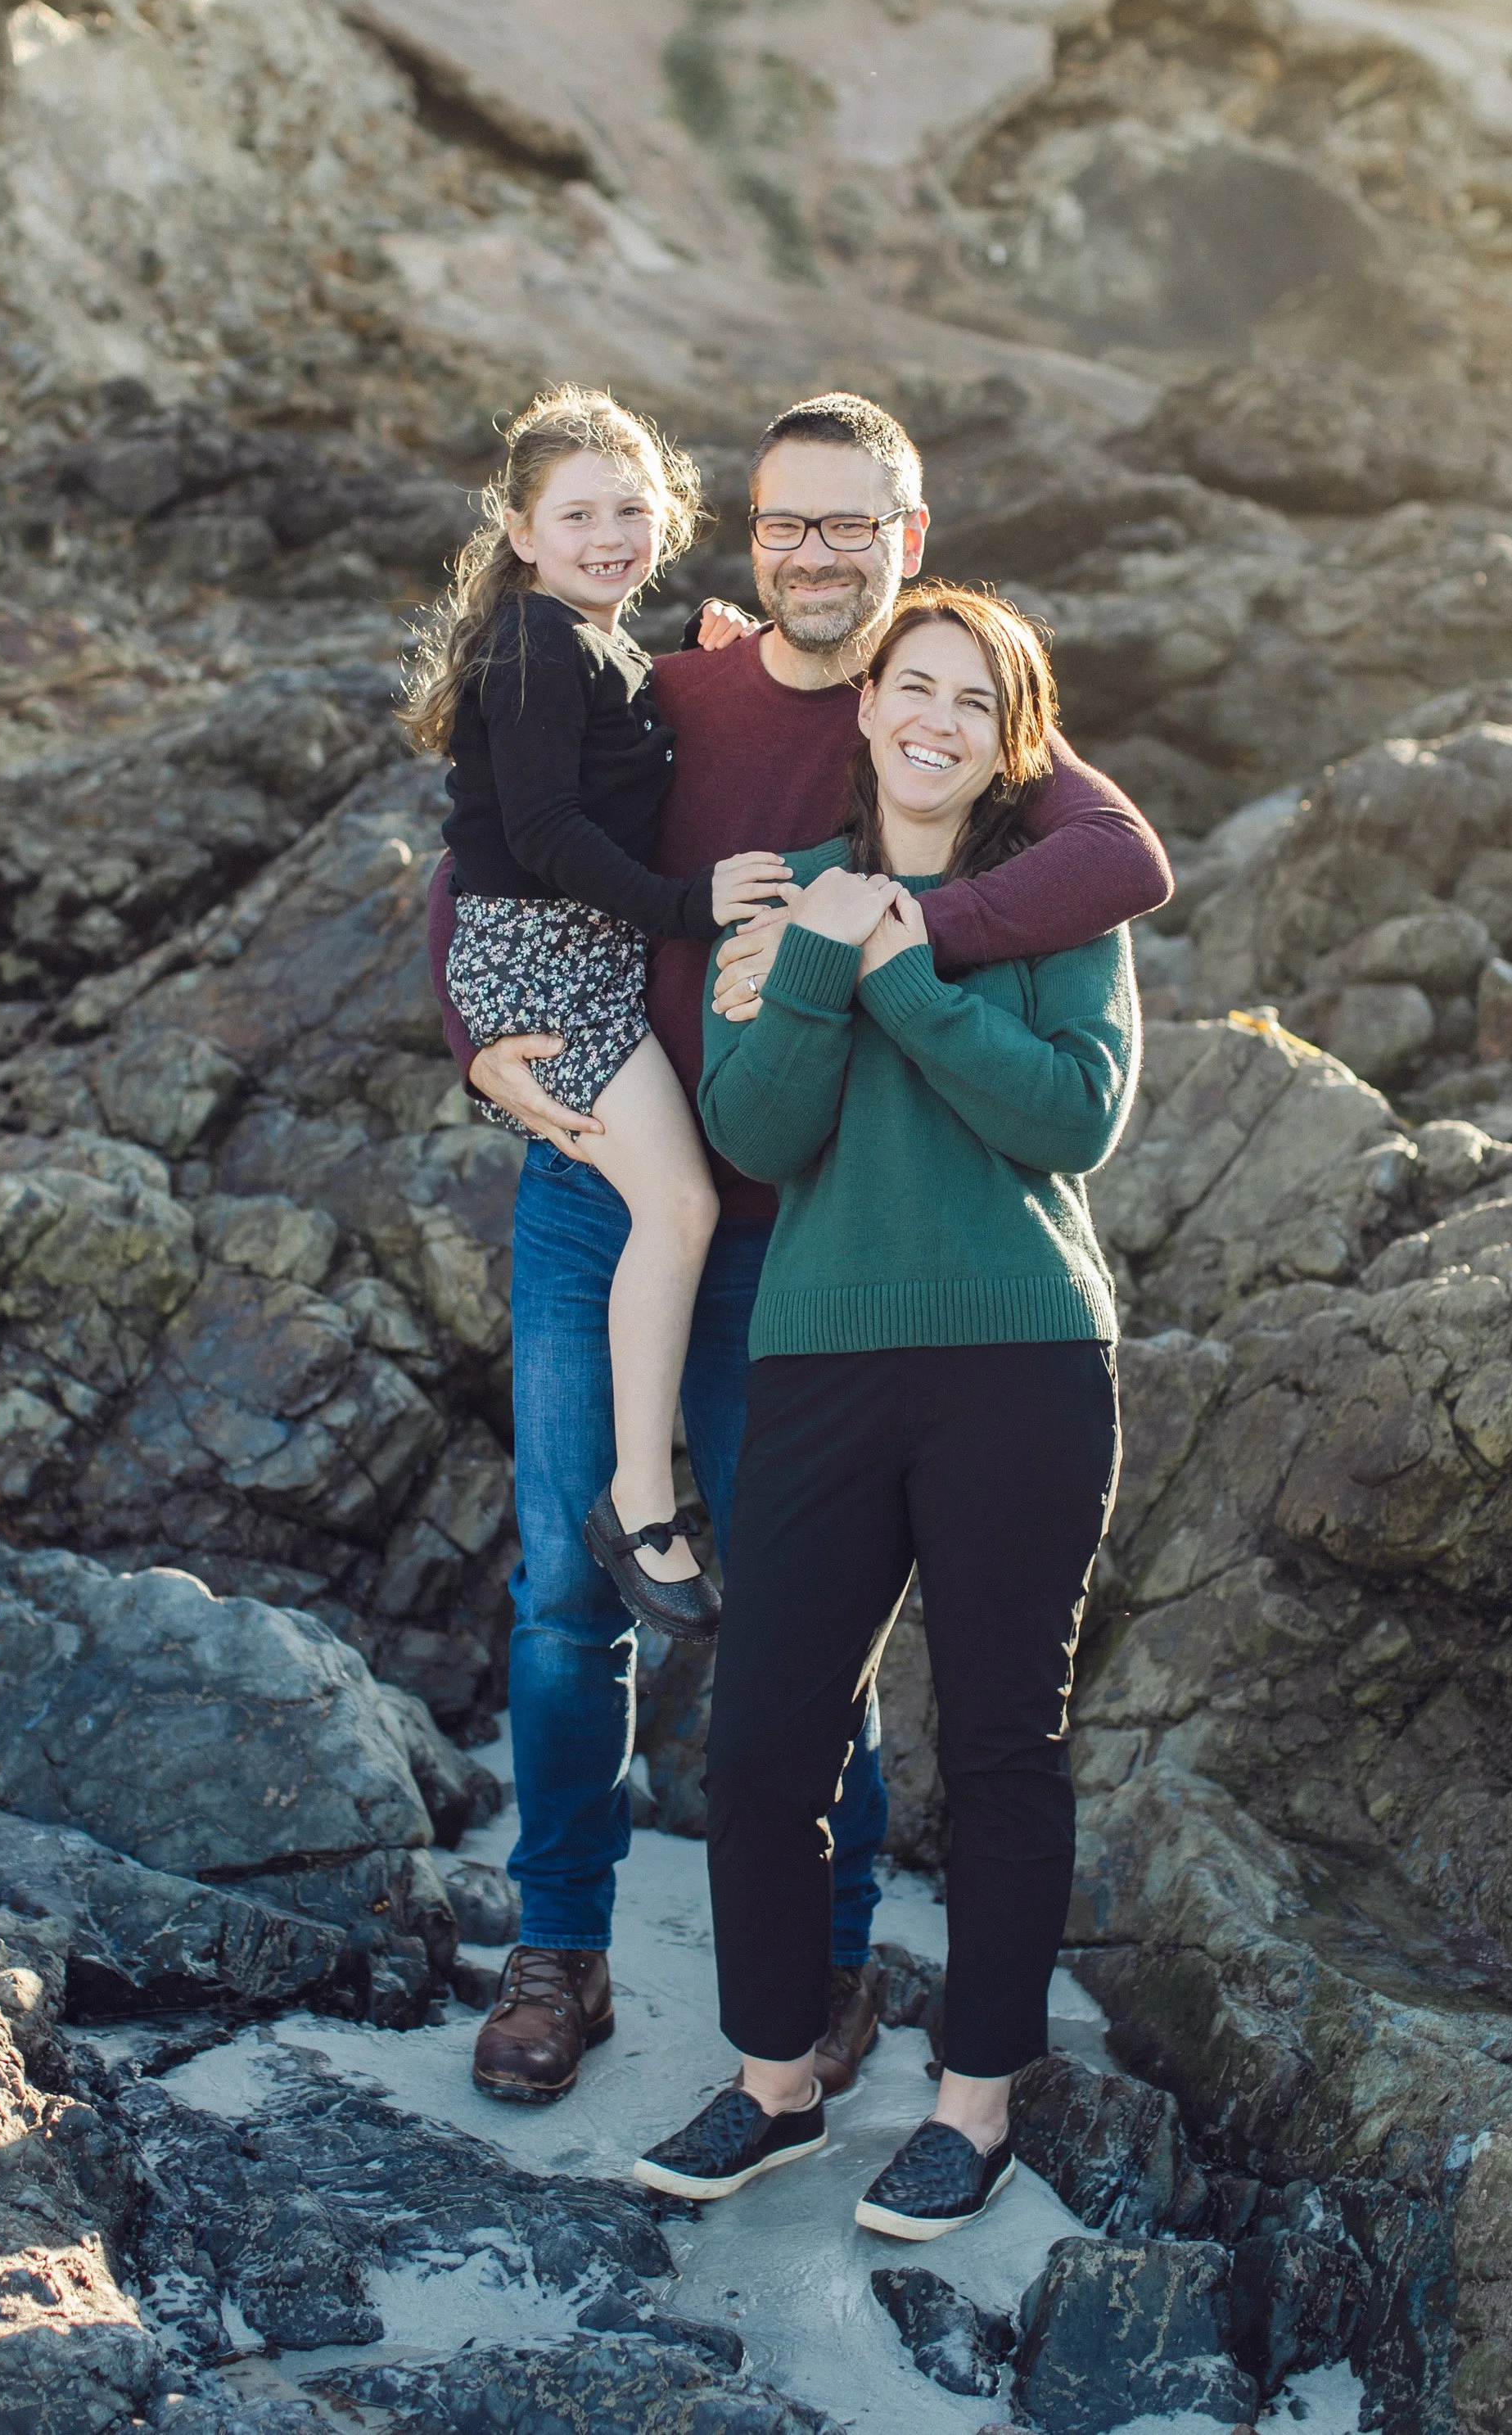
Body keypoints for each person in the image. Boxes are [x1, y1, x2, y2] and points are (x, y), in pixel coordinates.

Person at [424, 395, 1171, 2109]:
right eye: (789, 523)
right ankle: (560, 1956)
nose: (819, 553)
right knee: (561, 1592)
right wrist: (470, 1030)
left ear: (908, 540)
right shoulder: (667, 679)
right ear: (750, 536)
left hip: (801, 1237)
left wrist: (890, 928)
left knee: (800, 1635)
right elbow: (493, 841)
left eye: (853, 526)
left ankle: (827, 1974)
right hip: (596, 1186)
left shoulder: (944, 704)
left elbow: (1120, 862)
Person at [634, 586, 1133, 2241]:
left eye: (969, 706)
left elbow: (1067, 1119)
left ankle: (972, 2106)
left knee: (998, 1750)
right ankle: (776, 2085)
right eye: (907, 688)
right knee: (764, 1746)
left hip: (1018, 1365)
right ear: (863, 710)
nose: (930, 720)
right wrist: (827, 965)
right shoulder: (788, 912)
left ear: (1009, 744)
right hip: (821, 1366)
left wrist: (907, 977)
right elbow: (759, 1135)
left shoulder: (1053, 912)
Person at [403, 386, 788, 1642]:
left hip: (566, 958)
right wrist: (691, 904)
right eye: (577, 514)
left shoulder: (596, 647)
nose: (609, 533)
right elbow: (542, 833)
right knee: (678, 1206)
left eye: (632, 507)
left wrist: (706, 660)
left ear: (669, 514)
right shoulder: (535, 646)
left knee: (665, 1210)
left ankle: (639, 1492)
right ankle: (638, 1501)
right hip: (545, 964)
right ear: (522, 530)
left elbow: (622, 755)